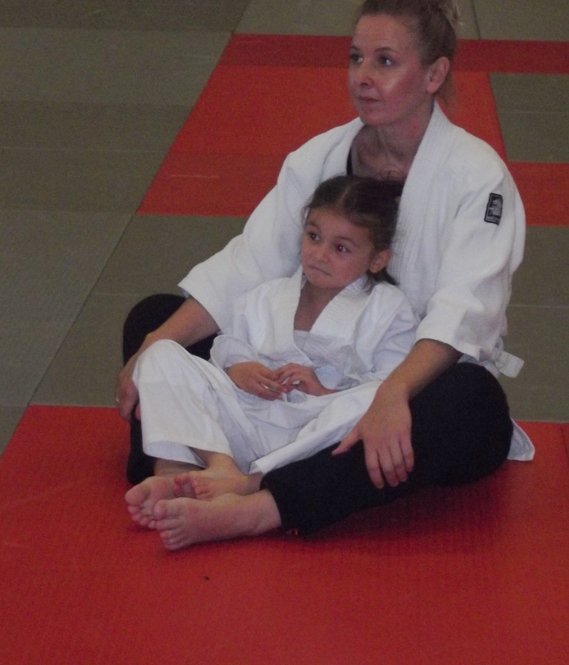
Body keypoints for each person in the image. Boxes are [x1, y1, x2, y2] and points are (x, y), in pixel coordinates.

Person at [116, 0, 534, 551]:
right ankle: (184, 473)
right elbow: (248, 266)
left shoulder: (476, 177)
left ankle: (259, 503)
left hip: (397, 383)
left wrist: (391, 396)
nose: (363, 77)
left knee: (472, 404)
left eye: (385, 62)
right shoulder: (318, 156)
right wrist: (155, 343)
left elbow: (465, 312)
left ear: (434, 74)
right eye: (356, 58)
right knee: (154, 321)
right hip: (278, 379)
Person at [125, 175, 418, 526]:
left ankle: (249, 483)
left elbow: (389, 383)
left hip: (313, 434)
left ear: (377, 259)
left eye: (341, 248)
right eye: (313, 237)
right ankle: (199, 468)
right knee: (160, 354)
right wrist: (239, 368)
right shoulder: (269, 295)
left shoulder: (390, 309)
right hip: (245, 418)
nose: (320, 255)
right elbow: (228, 344)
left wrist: (324, 391)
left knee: (372, 400)